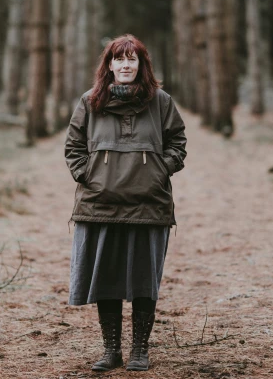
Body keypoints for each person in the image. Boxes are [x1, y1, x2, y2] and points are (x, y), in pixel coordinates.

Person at [64, 34, 187, 372]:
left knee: (145, 279)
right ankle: (111, 350)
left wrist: (161, 170)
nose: (125, 65)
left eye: (132, 59)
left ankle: (140, 350)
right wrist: (87, 174)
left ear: (141, 64)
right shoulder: (90, 101)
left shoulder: (160, 101)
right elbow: (73, 146)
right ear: (110, 65)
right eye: (119, 59)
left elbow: (178, 140)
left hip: (149, 204)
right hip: (99, 204)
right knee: (107, 277)